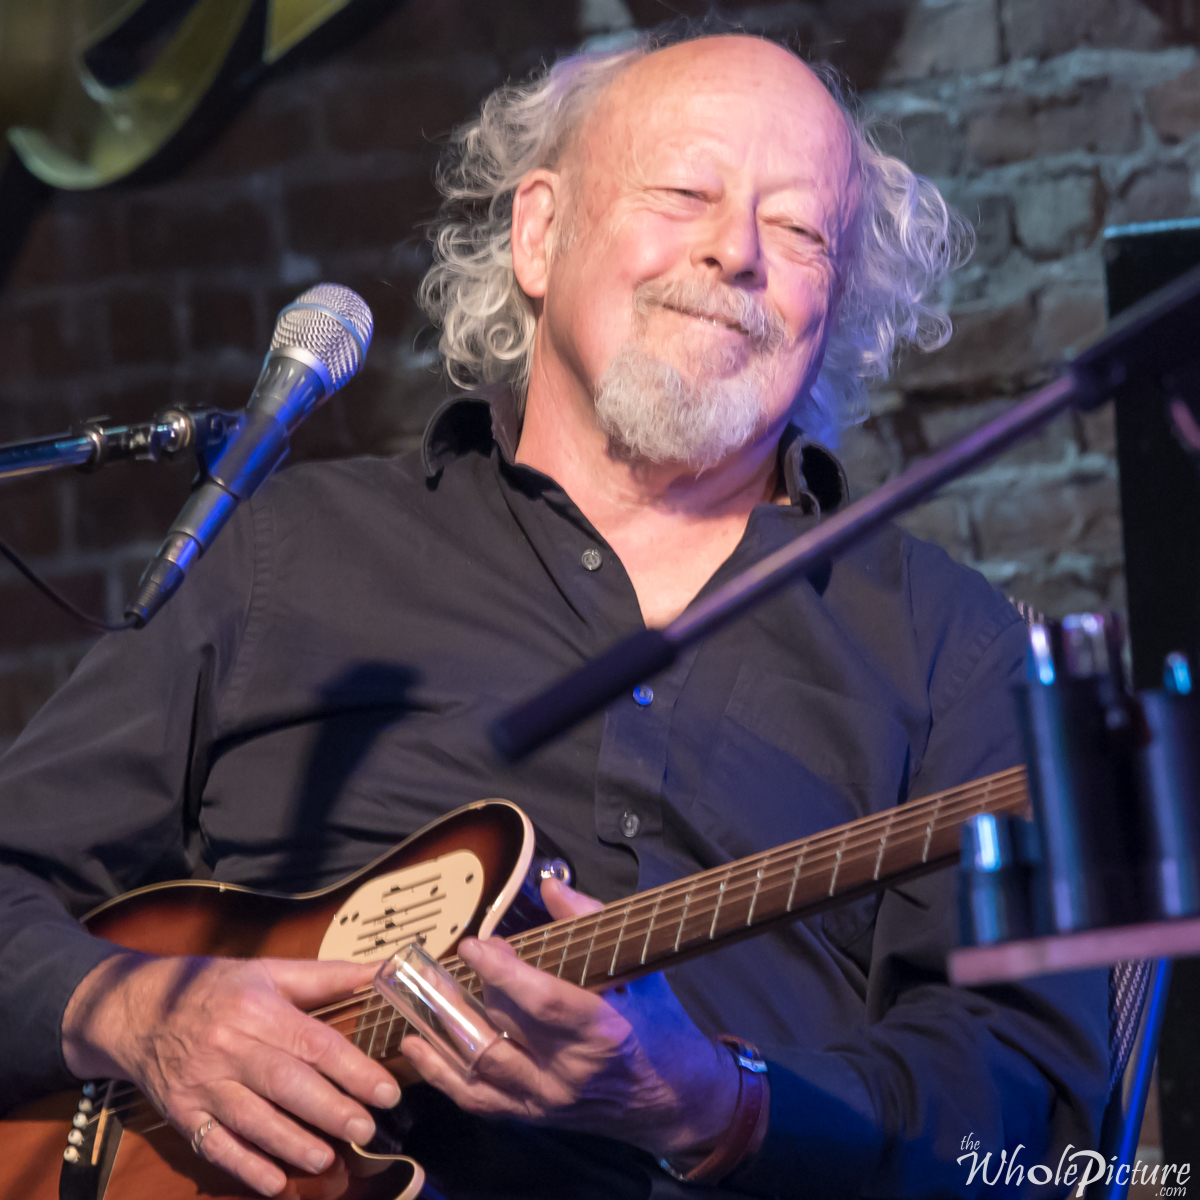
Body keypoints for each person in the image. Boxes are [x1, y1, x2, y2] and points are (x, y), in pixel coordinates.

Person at [0, 29, 1108, 1200]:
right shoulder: (286, 551)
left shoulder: (956, 656)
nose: (736, 251)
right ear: (539, 231)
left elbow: (1029, 1114)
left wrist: (718, 1110)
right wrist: (130, 1011)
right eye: (686, 192)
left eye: (800, 232)